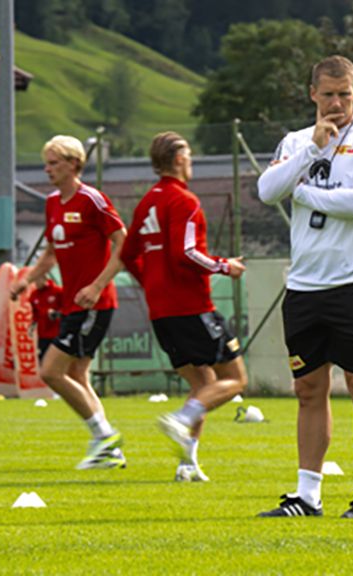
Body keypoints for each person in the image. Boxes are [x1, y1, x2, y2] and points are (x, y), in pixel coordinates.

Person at [256, 55, 353, 519]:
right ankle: (307, 496)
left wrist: (305, 192)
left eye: (345, 93)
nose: (338, 103)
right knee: (309, 390)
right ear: (312, 94)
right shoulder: (296, 142)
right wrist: (311, 151)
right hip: (304, 284)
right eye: (329, 94)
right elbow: (266, 190)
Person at [121, 132, 248, 482]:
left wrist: (150, 282)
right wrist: (226, 266)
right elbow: (187, 252)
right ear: (177, 160)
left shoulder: (147, 202)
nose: (191, 162)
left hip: (161, 311)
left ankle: (187, 465)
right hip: (192, 306)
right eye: (189, 155)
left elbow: (128, 254)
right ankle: (180, 418)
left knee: (202, 385)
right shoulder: (184, 200)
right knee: (235, 380)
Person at [9, 135, 128, 470]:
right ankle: (109, 449)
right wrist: (26, 281)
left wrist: (97, 285)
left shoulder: (92, 200)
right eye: (46, 163)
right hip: (72, 304)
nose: (47, 169)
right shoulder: (52, 203)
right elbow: (50, 253)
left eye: (54, 163)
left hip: (95, 303)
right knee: (77, 373)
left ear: (75, 164)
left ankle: (104, 435)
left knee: (50, 371)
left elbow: (124, 244)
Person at [28, 275, 64, 361]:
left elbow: (66, 308)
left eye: (38, 280)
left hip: (57, 333)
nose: (36, 283)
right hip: (43, 334)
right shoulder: (34, 295)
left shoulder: (57, 291)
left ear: (45, 279)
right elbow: (35, 313)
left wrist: (56, 314)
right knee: (42, 359)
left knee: (54, 361)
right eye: (35, 281)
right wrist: (32, 325)